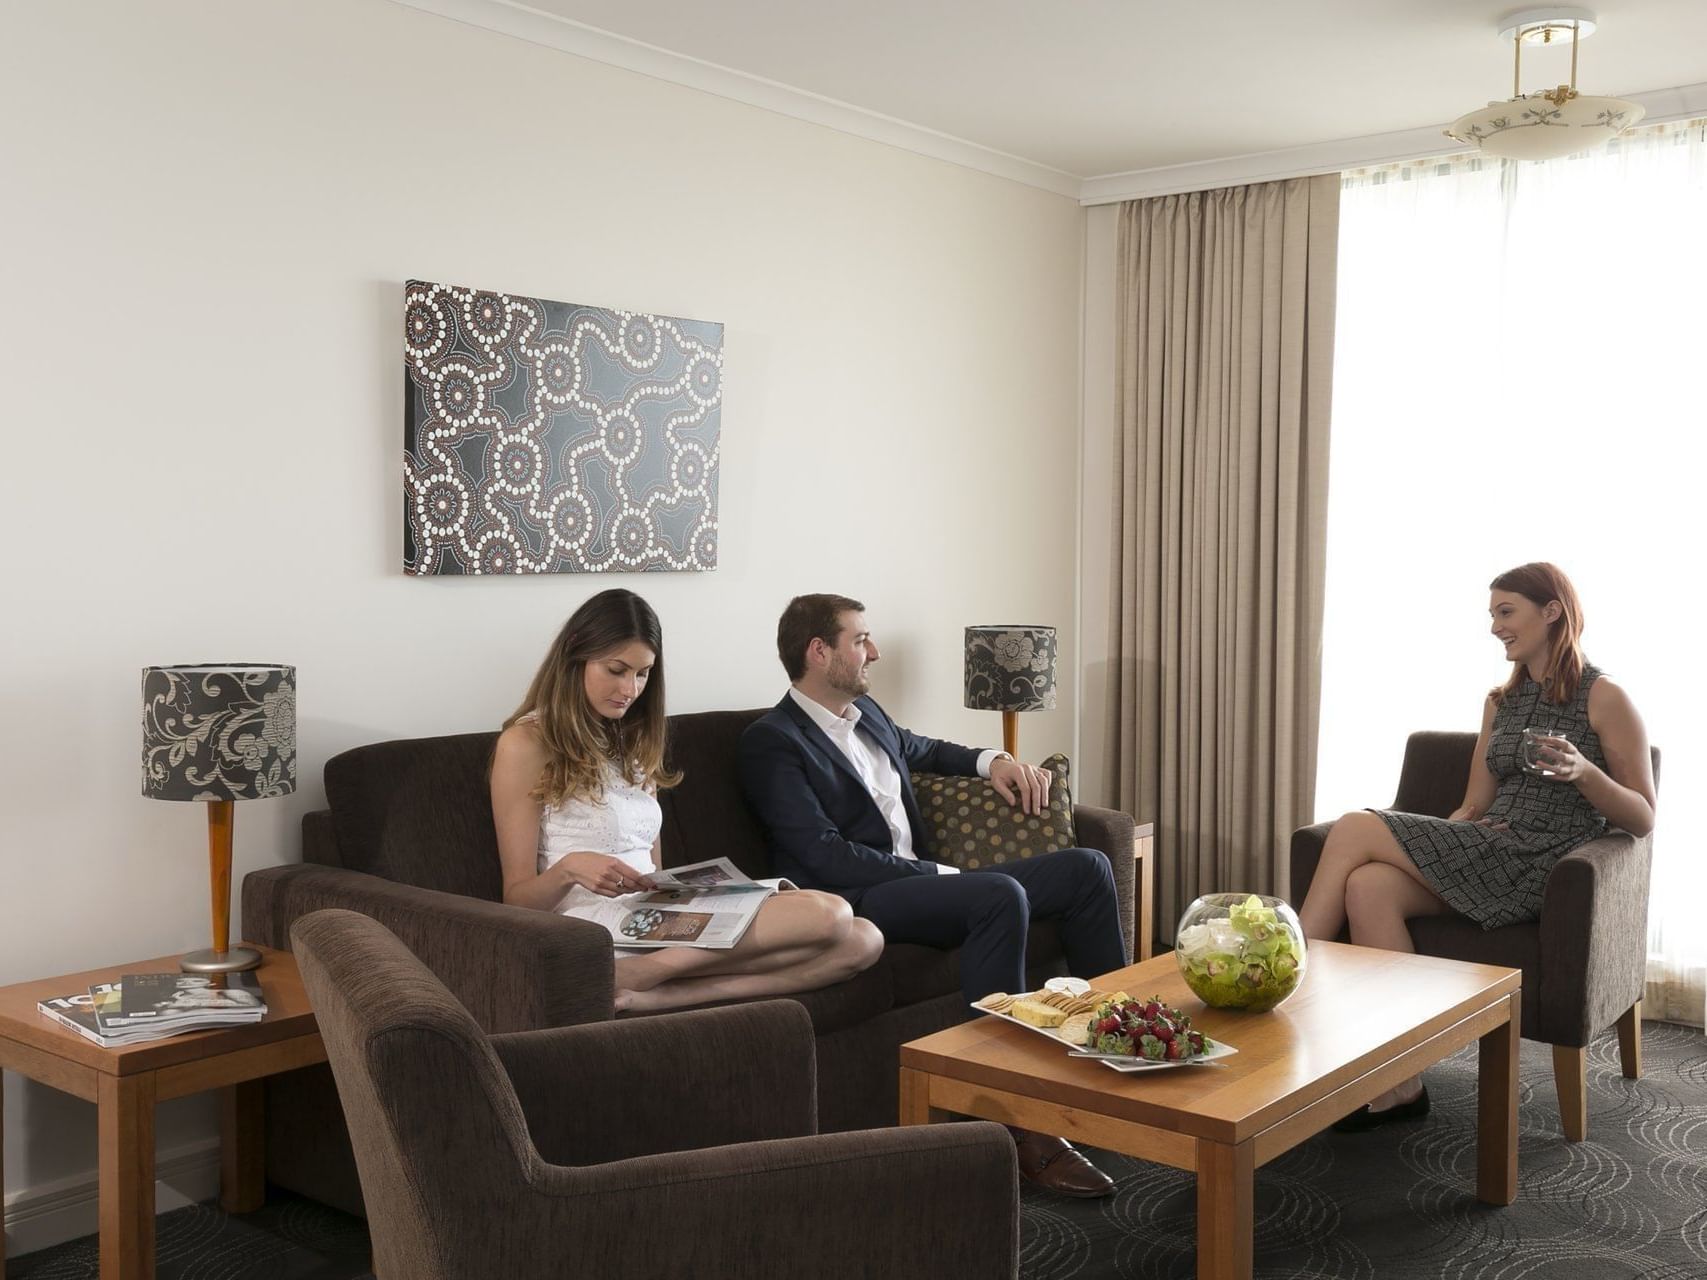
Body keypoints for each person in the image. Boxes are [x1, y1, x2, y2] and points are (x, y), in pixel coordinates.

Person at [737, 593, 1127, 1198]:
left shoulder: (865, 713)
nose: (875, 651)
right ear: (819, 652)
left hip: (919, 883)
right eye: (860, 639)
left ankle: (1120, 1051)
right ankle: (1014, 1122)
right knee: (997, 895)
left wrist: (993, 759)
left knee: (1088, 867)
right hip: (856, 901)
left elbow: (923, 749)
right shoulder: (772, 741)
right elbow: (820, 854)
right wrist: (935, 875)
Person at [1300, 562, 1656, 1131]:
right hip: (1491, 848)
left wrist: (1585, 771)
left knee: (1353, 826)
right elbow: (1471, 806)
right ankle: (1401, 1082)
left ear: (1552, 611)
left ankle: (1292, 974)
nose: (1495, 626)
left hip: (1544, 865)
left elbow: (1642, 817)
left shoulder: (1604, 696)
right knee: (1368, 886)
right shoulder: (1500, 702)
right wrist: (1439, 850)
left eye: (1505, 611)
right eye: (1492, 614)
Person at [492, 588, 884, 1015]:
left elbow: (654, 871)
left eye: (642, 674)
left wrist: (696, 893)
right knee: (830, 916)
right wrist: (569, 869)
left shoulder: (633, 738)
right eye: (616, 670)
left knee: (864, 939)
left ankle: (659, 989)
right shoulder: (526, 743)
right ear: (575, 658)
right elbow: (516, 901)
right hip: (592, 924)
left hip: (652, 915)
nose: (630, 689)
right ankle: (650, 970)